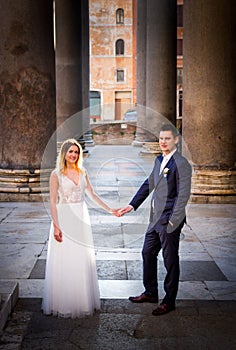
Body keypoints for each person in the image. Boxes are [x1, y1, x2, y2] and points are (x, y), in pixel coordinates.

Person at [42, 138, 120, 318]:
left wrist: (110, 209)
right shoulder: (56, 174)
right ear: (64, 153)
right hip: (64, 217)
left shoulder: (82, 171)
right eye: (70, 151)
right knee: (65, 259)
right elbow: (53, 202)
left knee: (80, 258)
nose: (73, 155)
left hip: (81, 217)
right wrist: (56, 226)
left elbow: (92, 194)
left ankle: (82, 299)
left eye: (76, 152)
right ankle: (64, 302)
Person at [119, 124, 192, 316]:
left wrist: (172, 222)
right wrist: (132, 205)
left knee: (170, 261)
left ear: (176, 140)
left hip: (168, 221)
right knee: (147, 253)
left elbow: (182, 196)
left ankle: (169, 301)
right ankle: (151, 292)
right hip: (154, 220)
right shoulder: (159, 159)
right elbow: (149, 183)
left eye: (167, 138)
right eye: (161, 138)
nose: (163, 142)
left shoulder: (181, 163)